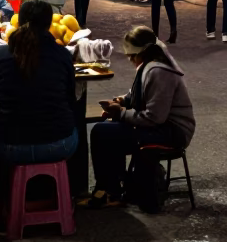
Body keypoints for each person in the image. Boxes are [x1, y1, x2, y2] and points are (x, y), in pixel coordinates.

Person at [0, 0, 78, 224]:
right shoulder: (63, 55)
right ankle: (67, 196)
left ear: (20, 21)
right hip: (59, 144)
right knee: (74, 127)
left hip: (9, 146)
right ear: (48, 24)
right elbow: (69, 99)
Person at [83, 24, 195, 211]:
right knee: (107, 130)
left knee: (103, 133)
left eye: (131, 56)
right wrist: (121, 101)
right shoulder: (149, 67)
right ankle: (113, 189)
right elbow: (136, 94)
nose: (130, 60)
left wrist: (121, 113)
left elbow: (154, 117)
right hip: (160, 127)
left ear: (141, 53)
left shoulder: (158, 71)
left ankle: (109, 191)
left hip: (172, 131)